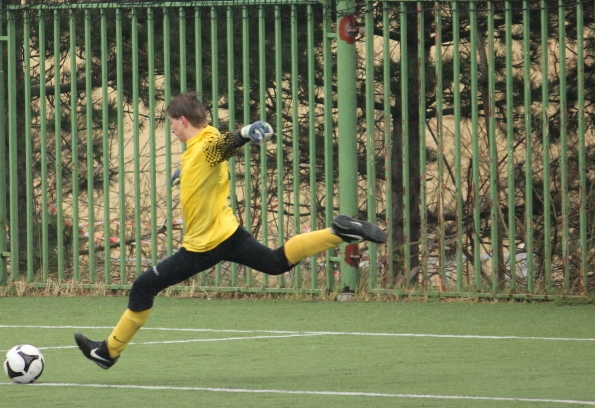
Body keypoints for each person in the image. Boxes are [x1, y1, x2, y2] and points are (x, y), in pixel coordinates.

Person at [74, 92, 386, 369]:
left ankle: (108, 352)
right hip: (229, 233)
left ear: (182, 120)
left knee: (143, 286)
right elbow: (210, 152)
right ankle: (340, 233)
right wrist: (184, 171)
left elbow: (221, 147)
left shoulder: (206, 146)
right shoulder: (202, 139)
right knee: (276, 262)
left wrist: (246, 133)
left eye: (171, 123)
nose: (171, 129)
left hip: (203, 246)